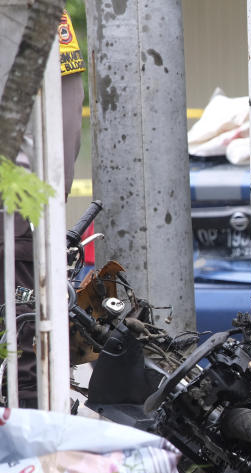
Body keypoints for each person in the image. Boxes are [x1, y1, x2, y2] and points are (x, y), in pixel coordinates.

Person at [0, 10, 85, 408]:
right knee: (23, 338)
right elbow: (67, 123)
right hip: (22, 204)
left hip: (16, 204)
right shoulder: (47, 14)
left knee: (21, 337)